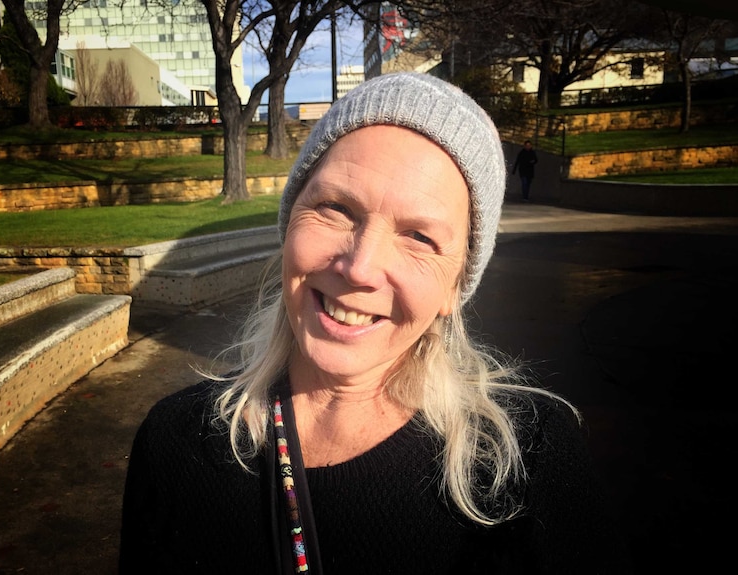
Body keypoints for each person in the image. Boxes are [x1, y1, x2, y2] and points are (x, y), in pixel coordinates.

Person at [119, 73, 627, 574]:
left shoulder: (530, 459)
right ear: (290, 219)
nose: (359, 268)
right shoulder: (175, 441)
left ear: (456, 286)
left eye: (419, 237)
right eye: (336, 208)